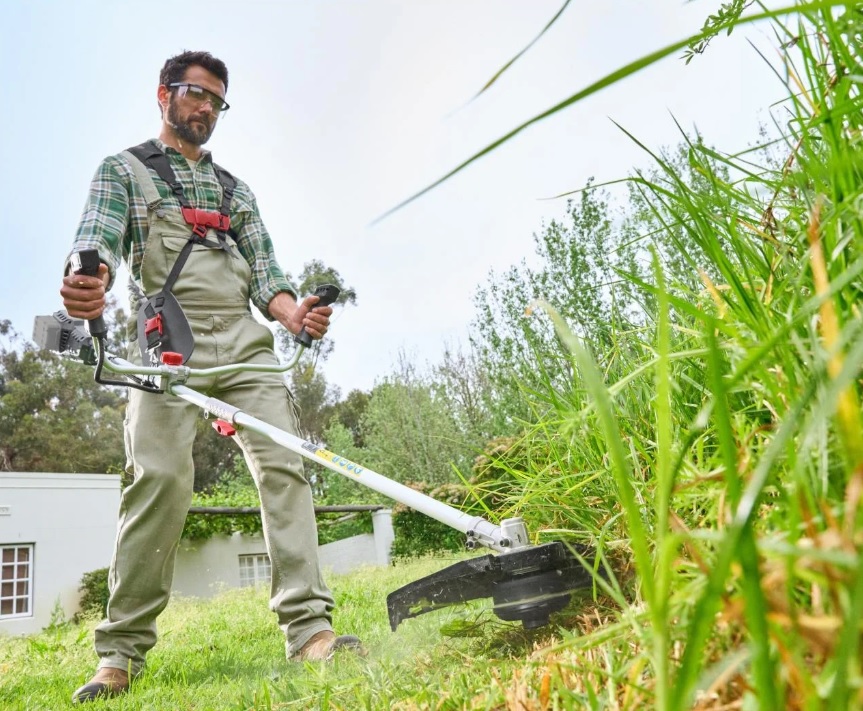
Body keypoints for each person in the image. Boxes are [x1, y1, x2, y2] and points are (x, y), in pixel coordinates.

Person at [60, 50, 361, 704]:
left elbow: (268, 278)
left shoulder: (236, 192)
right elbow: (98, 239)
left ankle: (310, 629)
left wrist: (295, 314)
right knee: (161, 477)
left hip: (245, 340)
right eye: (195, 93)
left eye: (217, 101)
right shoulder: (127, 171)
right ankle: (120, 653)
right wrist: (89, 279)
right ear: (164, 93)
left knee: (285, 465)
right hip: (170, 336)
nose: (205, 108)